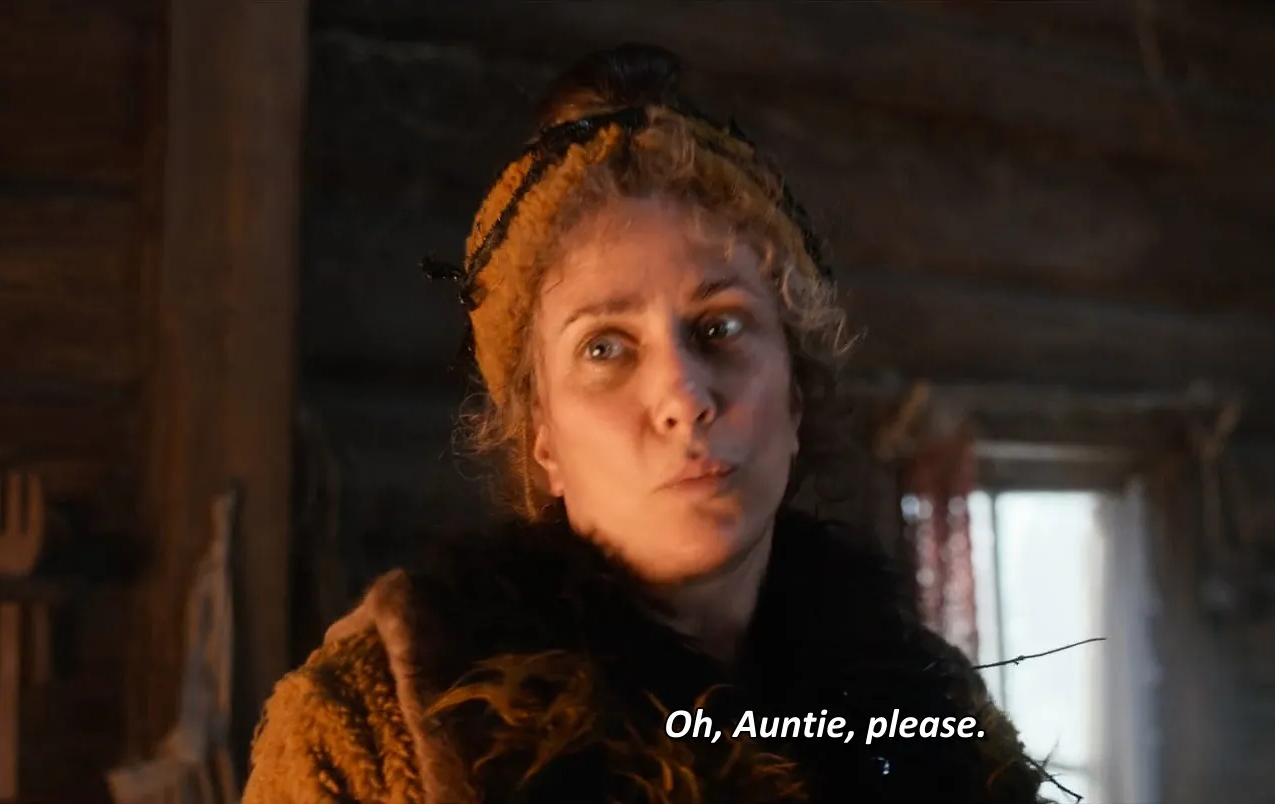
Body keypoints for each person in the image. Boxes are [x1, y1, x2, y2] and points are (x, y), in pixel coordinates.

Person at [242, 43, 1057, 804]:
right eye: (605, 347)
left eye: (720, 327)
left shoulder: (936, 709)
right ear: (543, 440)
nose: (682, 397)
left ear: (795, 400)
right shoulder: (380, 723)